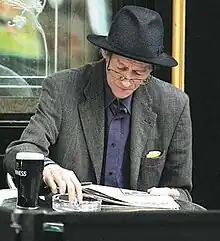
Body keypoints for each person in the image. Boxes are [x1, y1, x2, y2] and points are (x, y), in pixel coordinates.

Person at [3, 5, 192, 203]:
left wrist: (172, 196)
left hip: (139, 226)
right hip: (74, 220)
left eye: (139, 74)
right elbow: (19, 151)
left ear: (151, 70)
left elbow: (183, 193)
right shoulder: (62, 88)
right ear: (105, 53)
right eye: (120, 68)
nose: (126, 80)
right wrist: (48, 168)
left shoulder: (174, 104)